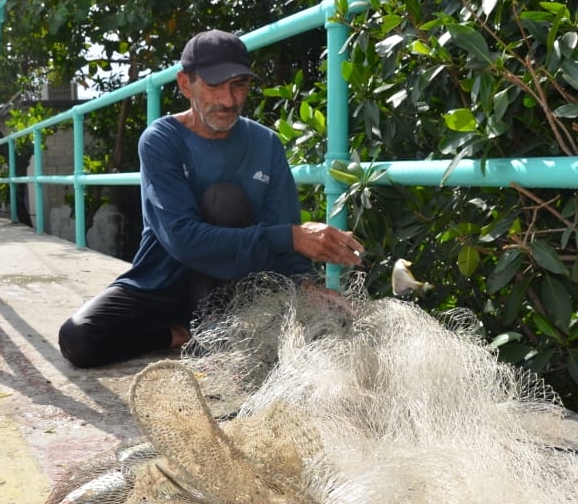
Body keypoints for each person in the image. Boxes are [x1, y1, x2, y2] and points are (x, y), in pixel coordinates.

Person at [58, 29, 364, 369]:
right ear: (185, 84)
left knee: (226, 200)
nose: (228, 100)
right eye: (214, 86)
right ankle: (179, 336)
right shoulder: (160, 140)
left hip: (235, 290)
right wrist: (292, 236)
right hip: (164, 281)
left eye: (239, 85)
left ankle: (219, 333)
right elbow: (185, 239)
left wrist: (305, 285)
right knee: (79, 338)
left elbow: (282, 230)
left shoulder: (267, 144)